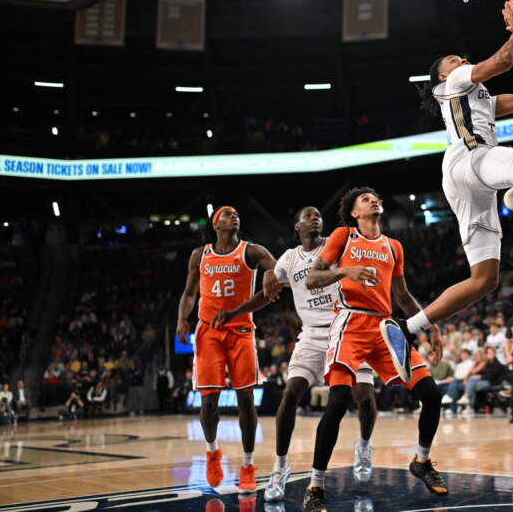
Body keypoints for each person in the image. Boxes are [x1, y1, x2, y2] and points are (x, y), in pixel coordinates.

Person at [392, 1, 513, 356]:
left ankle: (406, 328)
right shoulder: (455, 81)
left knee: (484, 280)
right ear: (443, 76)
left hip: (465, 179)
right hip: (469, 158)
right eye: (454, 60)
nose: (462, 60)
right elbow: (502, 62)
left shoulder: (478, 97)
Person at [212, 206, 380, 501]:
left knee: (364, 396)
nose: (315, 218)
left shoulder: (336, 246)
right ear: (297, 226)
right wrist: (238, 308)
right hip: (312, 335)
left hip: (347, 328)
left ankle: (364, 445)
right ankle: (280, 466)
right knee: (290, 394)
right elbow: (267, 294)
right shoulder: (289, 259)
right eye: (308, 216)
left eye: (318, 215)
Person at [300, 187, 447, 511]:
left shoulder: (393, 246)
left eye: (376, 197)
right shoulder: (344, 236)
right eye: (365, 199)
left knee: (431, 395)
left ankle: (422, 461)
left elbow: (402, 295)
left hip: (385, 328)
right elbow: (312, 278)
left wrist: (431, 325)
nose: (374, 200)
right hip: (350, 324)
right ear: (355, 212)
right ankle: (316, 485)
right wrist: (345, 270)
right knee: (338, 401)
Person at [175, 205, 277, 492]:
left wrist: (271, 274)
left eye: (236, 214)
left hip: (241, 331)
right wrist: (182, 318)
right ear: (215, 224)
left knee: (246, 400)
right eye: (227, 214)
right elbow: (189, 293)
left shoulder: (252, 251)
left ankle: (247, 465)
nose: (234, 216)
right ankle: (212, 452)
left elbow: (278, 268)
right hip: (208, 332)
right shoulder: (200, 255)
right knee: (209, 402)